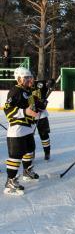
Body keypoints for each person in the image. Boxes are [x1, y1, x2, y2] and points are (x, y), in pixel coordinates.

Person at [3, 67, 46, 195]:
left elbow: (35, 106)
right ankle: (10, 182)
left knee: (29, 149)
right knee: (16, 155)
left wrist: (41, 104)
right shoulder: (15, 91)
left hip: (28, 128)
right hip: (18, 128)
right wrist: (24, 111)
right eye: (26, 78)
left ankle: (27, 171)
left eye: (29, 77)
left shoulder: (28, 91)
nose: (29, 80)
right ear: (19, 79)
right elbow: (7, 110)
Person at [32, 78, 55, 160]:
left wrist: (51, 83)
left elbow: (48, 82)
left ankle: (47, 152)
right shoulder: (21, 88)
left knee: (44, 134)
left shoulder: (39, 83)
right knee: (29, 136)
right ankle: (31, 153)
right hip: (29, 115)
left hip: (41, 115)